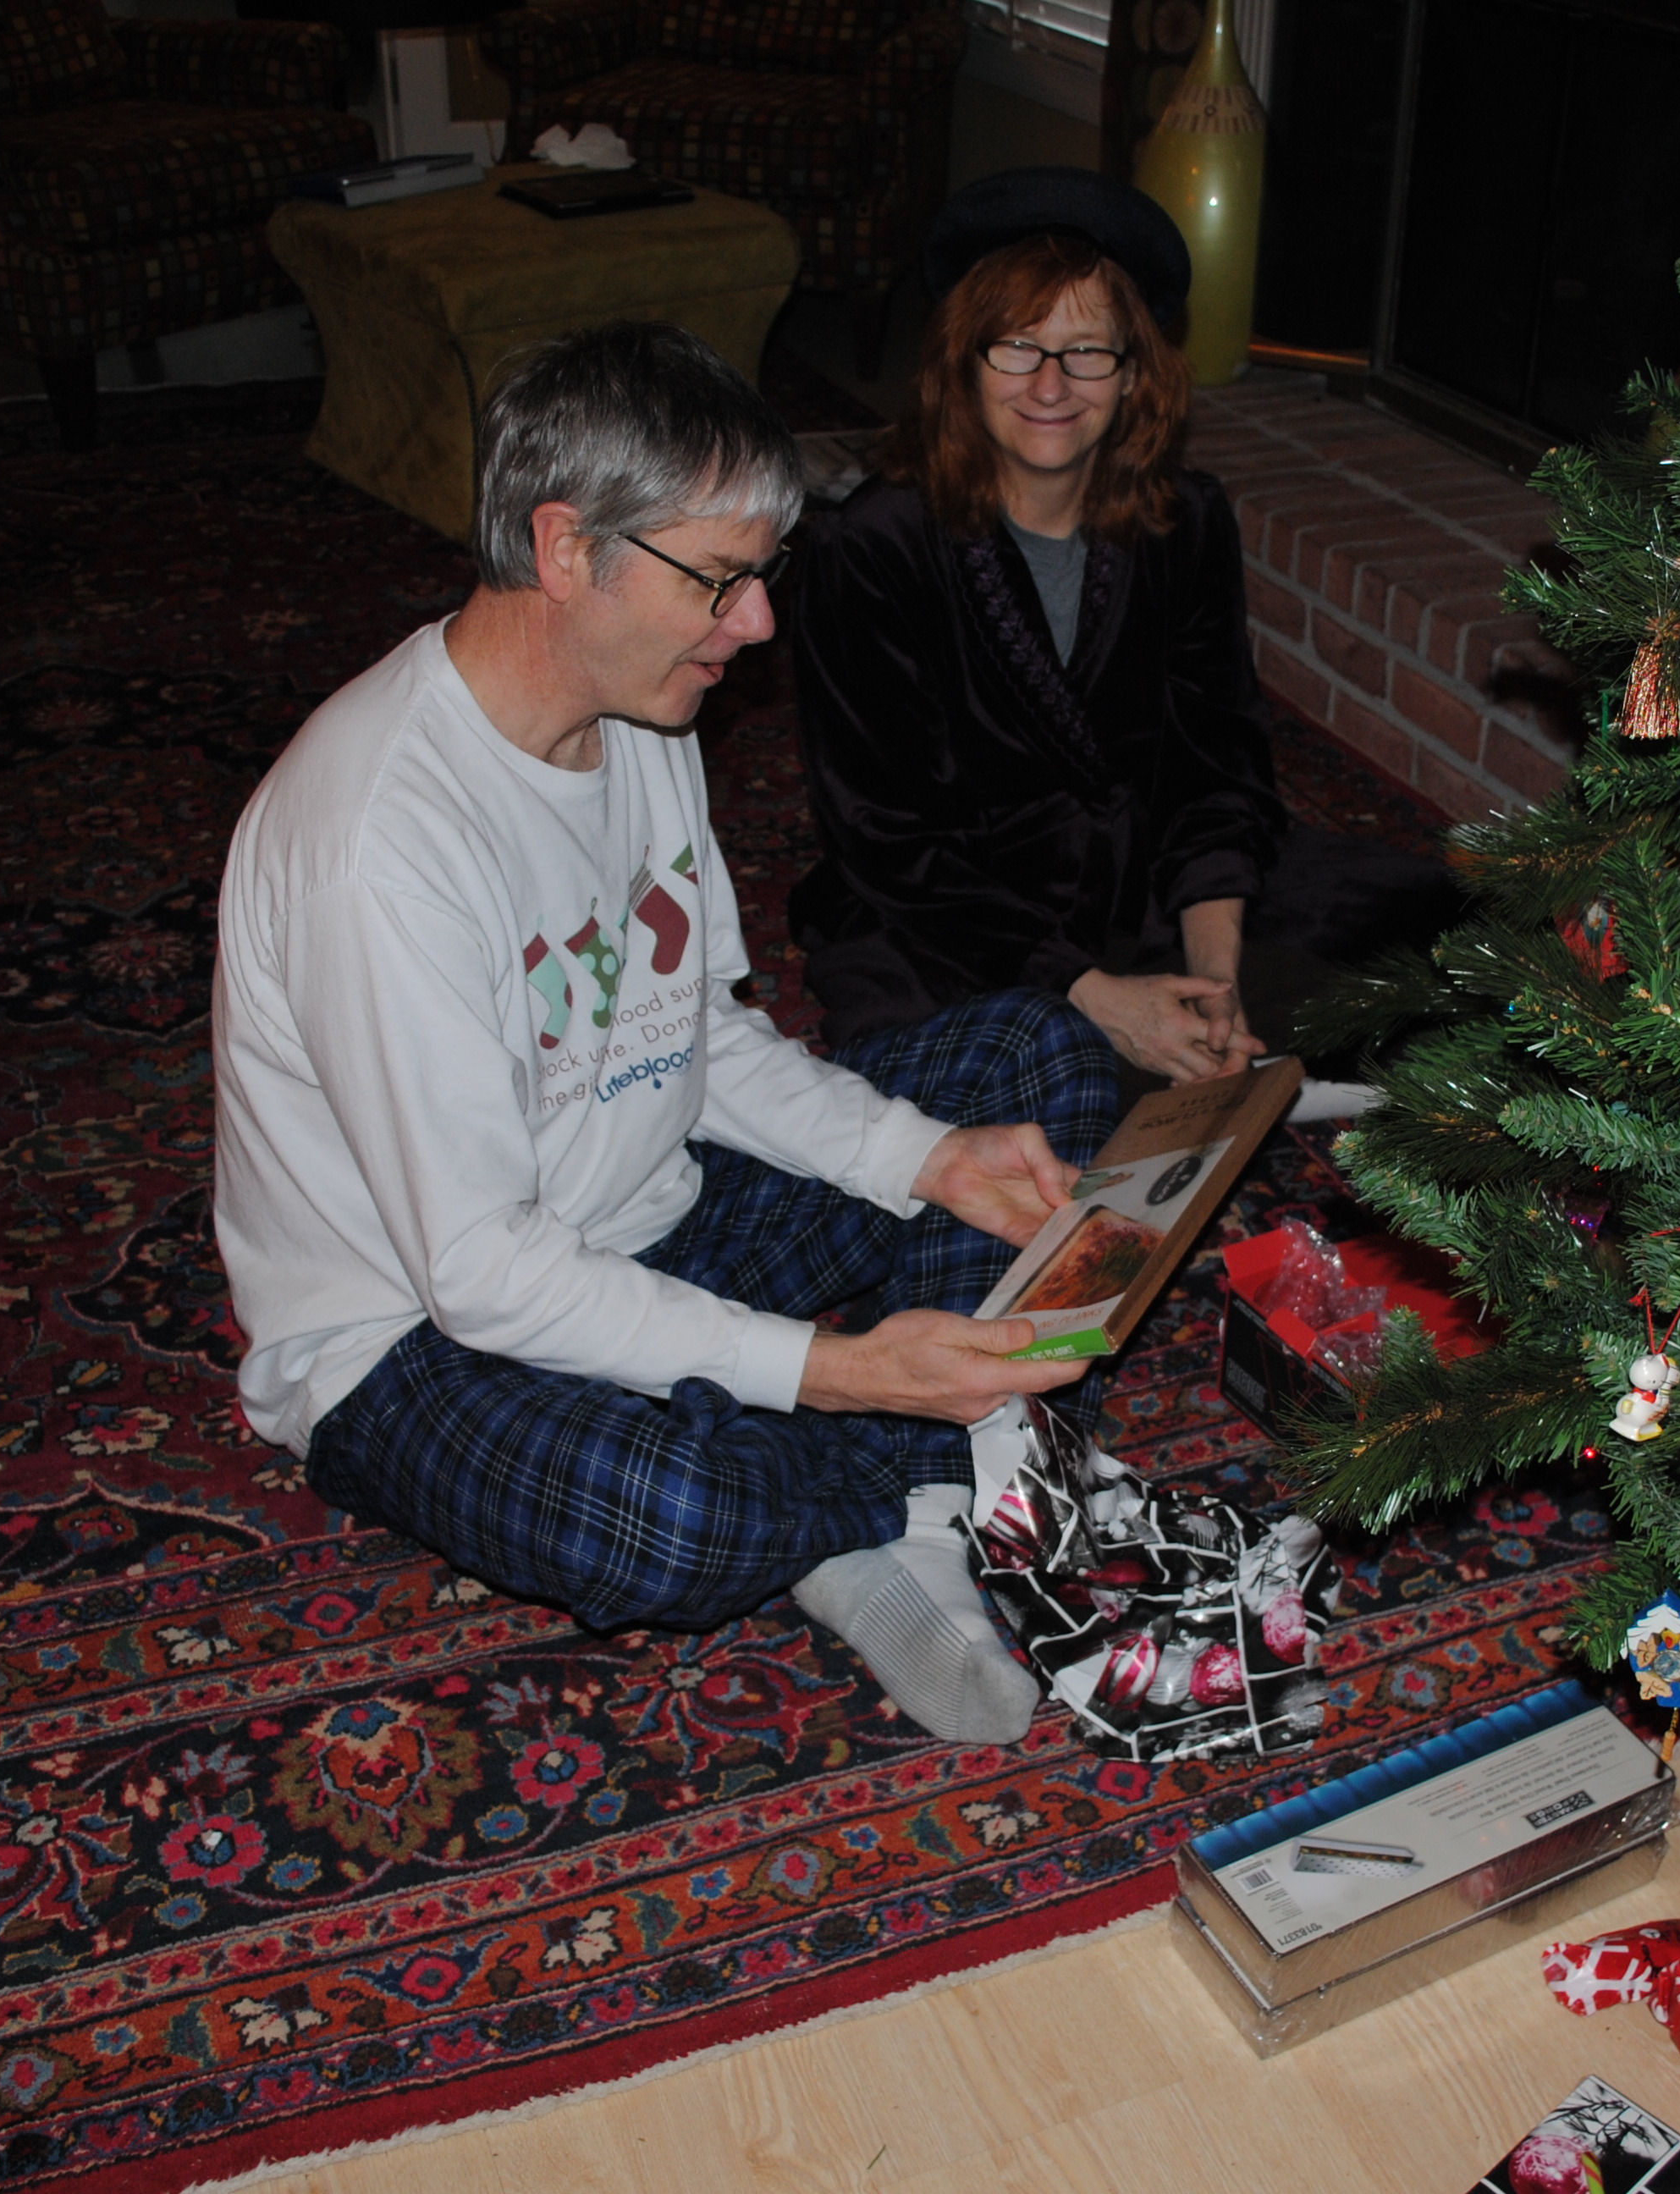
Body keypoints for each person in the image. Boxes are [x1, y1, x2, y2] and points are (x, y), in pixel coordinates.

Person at [210, 321, 1121, 1745]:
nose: (756, 625)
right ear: (566, 548)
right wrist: (839, 1369)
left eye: (764, 574)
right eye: (718, 578)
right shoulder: (380, 841)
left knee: (1032, 1062)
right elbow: (483, 1273)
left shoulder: (645, 716)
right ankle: (928, 1479)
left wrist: (924, 1158)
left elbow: (695, 1035)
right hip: (413, 1334)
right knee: (668, 1516)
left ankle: (890, 1495)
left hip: (652, 1215)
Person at [785, 167, 1457, 1090]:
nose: (1050, 384)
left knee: (1458, 936)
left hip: (1144, 889)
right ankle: (1095, 1052)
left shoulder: (1186, 520)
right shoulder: (871, 544)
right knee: (1009, 1082)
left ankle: (1176, 1034)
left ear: (1134, 372)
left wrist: (1217, 981)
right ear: (964, 364)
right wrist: (1100, 997)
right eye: (1017, 348)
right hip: (958, 916)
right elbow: (886, 837)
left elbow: (1215, 768)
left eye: (1087, 352)